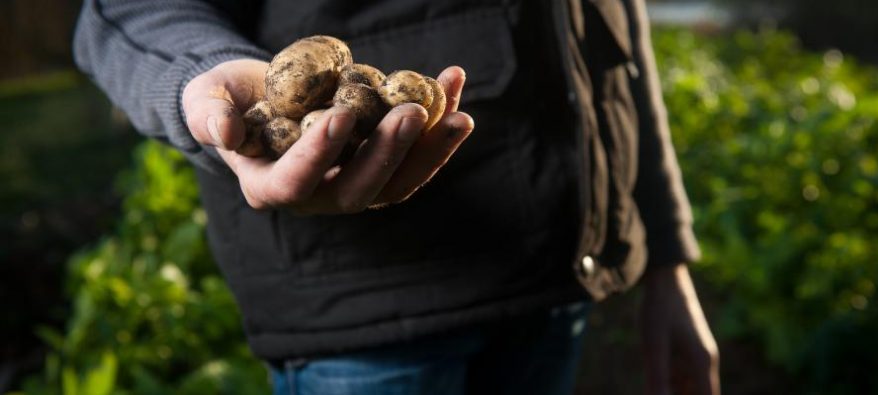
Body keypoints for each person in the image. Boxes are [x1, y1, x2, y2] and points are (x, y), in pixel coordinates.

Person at [74, 0, 720, 394]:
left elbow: (611, 32)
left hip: (552, 289)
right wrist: (200, 79)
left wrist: (665, 252)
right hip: (368, 319)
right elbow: (126, 8)